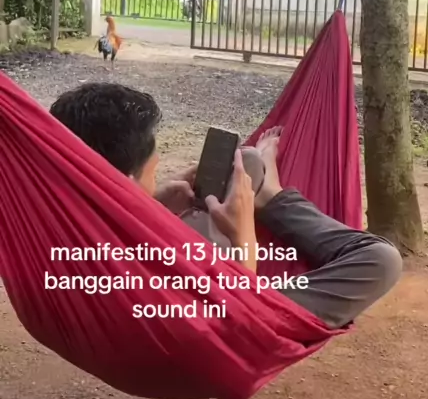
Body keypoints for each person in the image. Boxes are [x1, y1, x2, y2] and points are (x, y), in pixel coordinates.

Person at [50, 82, 403, 329]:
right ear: (125, 183)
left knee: (246, 162)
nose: (158, 176)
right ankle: (273, 198)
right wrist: (243, 237)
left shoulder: (54, 216)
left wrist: (153, 204)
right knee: (379, 259)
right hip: (227, 311)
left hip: (168, 262)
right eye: (154, 172)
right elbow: (232, 322)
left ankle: (265, 192)